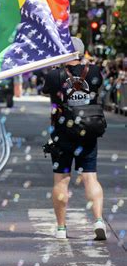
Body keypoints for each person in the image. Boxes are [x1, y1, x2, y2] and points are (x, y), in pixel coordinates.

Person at [41, 36, 106, 240]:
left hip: (62, 134)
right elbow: (97, 88)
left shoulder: (54, 76)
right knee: (90, 176)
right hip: (88, 131)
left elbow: (46, 92)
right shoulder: (94, 72)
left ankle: (61, 229)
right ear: (81, 53)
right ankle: (98, 220)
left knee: (62, 179)